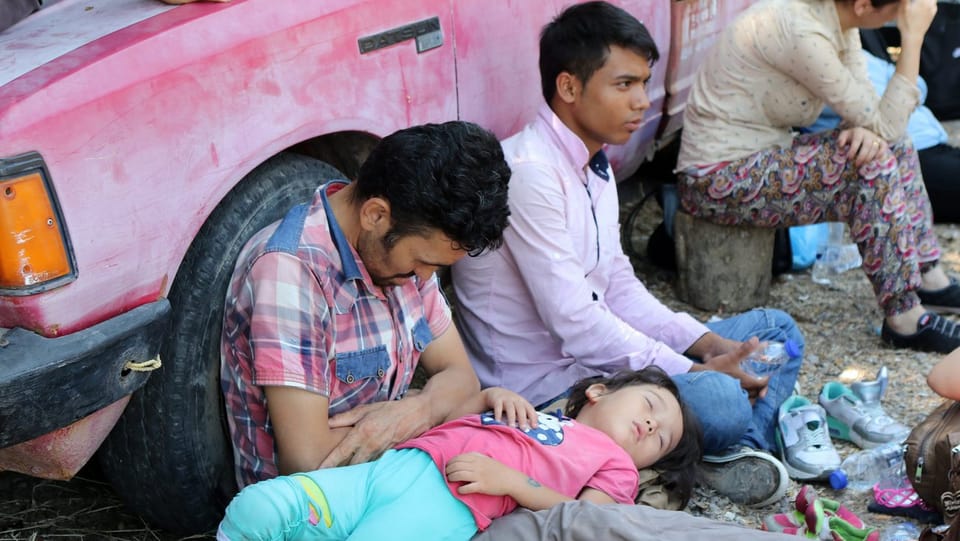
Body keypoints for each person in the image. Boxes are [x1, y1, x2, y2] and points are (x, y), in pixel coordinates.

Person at [451, 1, 804, 507]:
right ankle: (709, 451)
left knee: (776, 330)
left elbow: (617, 286)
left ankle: (721, 454)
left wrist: (705, 344)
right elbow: (576, 322)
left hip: (605, 371)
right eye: (624, 85)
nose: (642, 101)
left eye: (644, 82)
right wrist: (693, 373)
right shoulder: (530, 173)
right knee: (721, 398)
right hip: (551, 394)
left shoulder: (594, 165)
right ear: (569, 87)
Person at [220, 121, 512, 490]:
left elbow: (463, 379)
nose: (424, 278)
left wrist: (415, 411)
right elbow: (308, 460)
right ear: (375, 215)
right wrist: (432, 406)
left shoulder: (407, 254)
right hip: (315, 513)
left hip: (388, 481)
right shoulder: (290, 273)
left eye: (436, 268)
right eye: (422, 261)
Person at [676, 0, 960, 354]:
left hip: (763, 156)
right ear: (862, 6)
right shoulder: (802, 31)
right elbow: (883, 121)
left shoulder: (839, 20)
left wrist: (868, 128)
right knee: (869, 163)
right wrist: (913, 37)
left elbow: (874, 116)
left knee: (894, 144)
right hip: (715, 179)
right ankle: (903, 316)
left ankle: (928, 275)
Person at [216, 368, 703, 541]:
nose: (651, 425)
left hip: (449, 505)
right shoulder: (536, 414)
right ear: (599, 390)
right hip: (388, 469)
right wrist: (490, 396)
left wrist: (511, 482)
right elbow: (448, 421)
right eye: (651, 405)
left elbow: (587, 519)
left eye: (659, 439)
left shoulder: (614, 464)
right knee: (258, 506)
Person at [804, 47, 960, 223]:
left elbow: (918, 85)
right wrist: (897, 92)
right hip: (897, 158)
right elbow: (880, 121)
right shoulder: (811, 57)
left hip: (932, 142)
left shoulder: (855, 52)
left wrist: (899, 96)